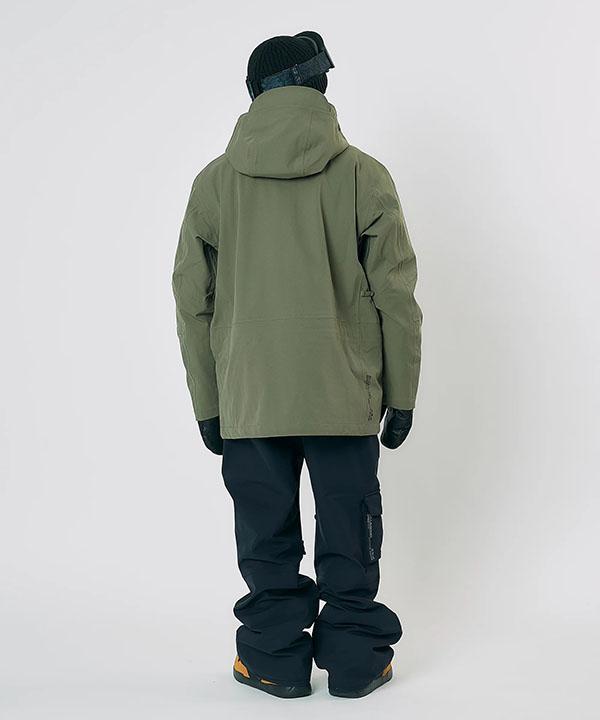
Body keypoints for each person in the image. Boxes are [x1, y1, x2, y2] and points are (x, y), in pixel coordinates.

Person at [172, 30, 422, 699]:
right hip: (343, 392)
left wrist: (209, 404)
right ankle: (357, 661)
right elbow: (396, 296)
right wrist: (401, 395)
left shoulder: (214, 183)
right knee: (349, 528)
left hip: (250, 396)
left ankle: (273, 660)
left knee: (266, 535)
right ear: (321, 87)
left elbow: (192, 302)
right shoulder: (363, 175)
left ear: (253, 94)